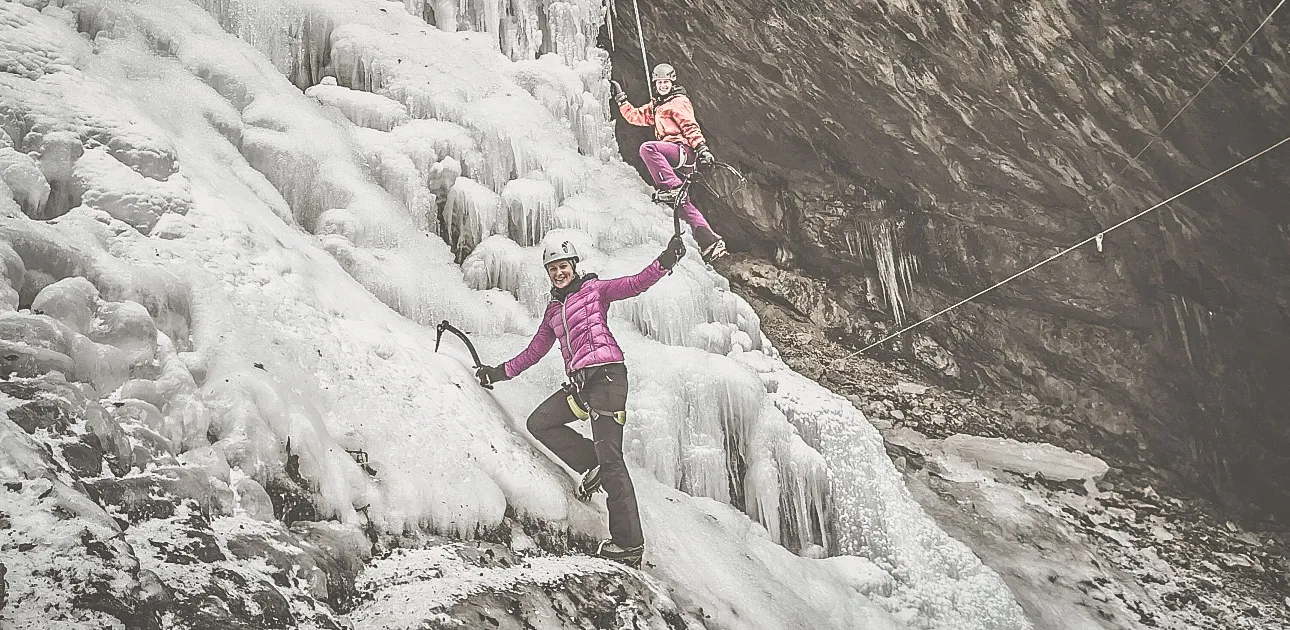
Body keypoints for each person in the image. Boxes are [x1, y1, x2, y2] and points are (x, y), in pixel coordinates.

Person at [474, 235, 686, 566]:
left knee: (614, 461)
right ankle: (593, 463)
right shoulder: (553, 312)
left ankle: (628, 545)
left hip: (608, 379)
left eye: (563, 266)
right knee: (541, 422)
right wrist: (497, 373)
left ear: (574, 266)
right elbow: (533, 352)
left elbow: (634, 284)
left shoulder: (595, 291)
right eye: (552, 268)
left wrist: (665, 261)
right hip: (581, 387)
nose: (558, 272)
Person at [611, 63, 727, 263]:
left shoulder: (678, 102)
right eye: (659, 82)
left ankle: (673, 187)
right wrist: (621, 99)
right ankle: (711, 242)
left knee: (648, 148)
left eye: (666, 82)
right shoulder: (657, 106)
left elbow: (690, 126)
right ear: (655, 84)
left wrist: (702, 149)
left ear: (673, 82)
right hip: (674, 158)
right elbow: (635, 117)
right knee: (682, 204)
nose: (663, 85)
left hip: (682, 152)